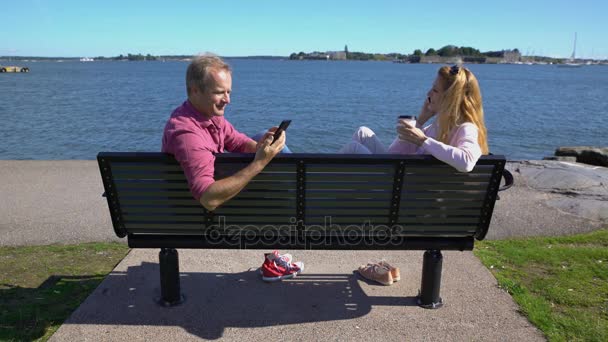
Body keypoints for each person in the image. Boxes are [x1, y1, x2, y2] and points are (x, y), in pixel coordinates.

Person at [162, 54, 286, 211]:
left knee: (264, 136)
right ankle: (289, 203)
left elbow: (237, 141)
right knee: (278, 163)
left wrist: (260, 147)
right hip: (200, 216)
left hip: (217, 198)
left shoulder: (207, 114)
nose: (228, 100)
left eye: (228, 92)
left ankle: (288, 196)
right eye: (219, 92)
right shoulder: (187, 135)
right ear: (195, 91)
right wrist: (259, 163)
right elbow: (208, 199)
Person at [339, 65, 489, 172]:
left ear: (451, 99)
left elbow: (467, 162)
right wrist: (420, 121)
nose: (428, 93)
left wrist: (422, 140)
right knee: (363, 132)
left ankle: (324, 188)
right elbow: (393, 155)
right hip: (403, 179)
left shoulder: (466, 127)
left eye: (435, 90)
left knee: (354, 148)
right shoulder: (436, 126)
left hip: (403, 190)